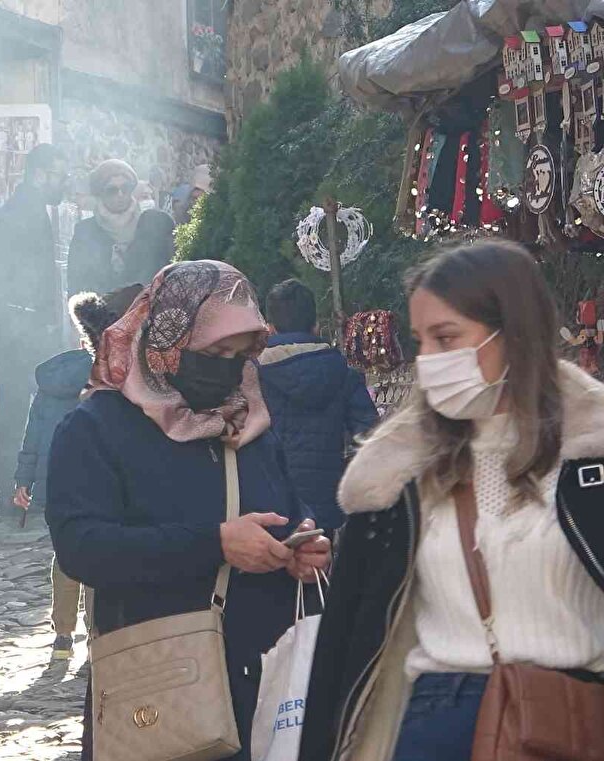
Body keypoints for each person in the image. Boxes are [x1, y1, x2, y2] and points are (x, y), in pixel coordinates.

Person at [300, 241, 604, 761]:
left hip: (567, 720)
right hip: (434, 722)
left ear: (513, 333)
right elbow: (342, 653)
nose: (429, 362)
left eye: (447, 338)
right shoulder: (394, 478)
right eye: (420, 342)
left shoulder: (589, 458)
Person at [45, 260, 331, 761]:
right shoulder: (98, 427)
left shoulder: (246, 421)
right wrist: (214, 543)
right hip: (161, 683)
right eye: (214, 351)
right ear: (166, 339)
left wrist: (303, 543)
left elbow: (284, 504)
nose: (227, 366)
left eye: (240, 353)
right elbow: (82, 547)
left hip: (261, 684)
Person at [14, 285, 143, 660]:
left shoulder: (53, 380)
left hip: (56, 476)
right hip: (102, 476)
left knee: (65, 553)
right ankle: (96, 633)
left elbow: (33, 432)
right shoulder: (115, 373)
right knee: (100, 551)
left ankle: (62, 635)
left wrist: (23, 480)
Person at [0, 143, 69, 519]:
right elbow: (11, 272)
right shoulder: (23, 212)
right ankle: (14, 491)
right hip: (18, 324)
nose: (63, 183)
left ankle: (21, 489)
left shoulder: (30, 209)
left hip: (24, 322)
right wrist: (33, 319)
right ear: (41, 173)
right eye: (59, 175)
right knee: (19, 408)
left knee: (25, 406)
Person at [257, 279, 379, 532]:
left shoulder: (252, 375)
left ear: (270, 328)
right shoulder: (344, 374)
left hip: (268, 506)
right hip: (329, 504)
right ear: (315, 326)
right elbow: (371, 439)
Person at [66, 159, 175, 296]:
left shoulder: (155, 224)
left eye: (126, 188)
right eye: (112, 190)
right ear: (100, 193)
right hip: (104, 314)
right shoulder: (85, 232)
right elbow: (76, 287)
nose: (120, 194)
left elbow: (173, 274)